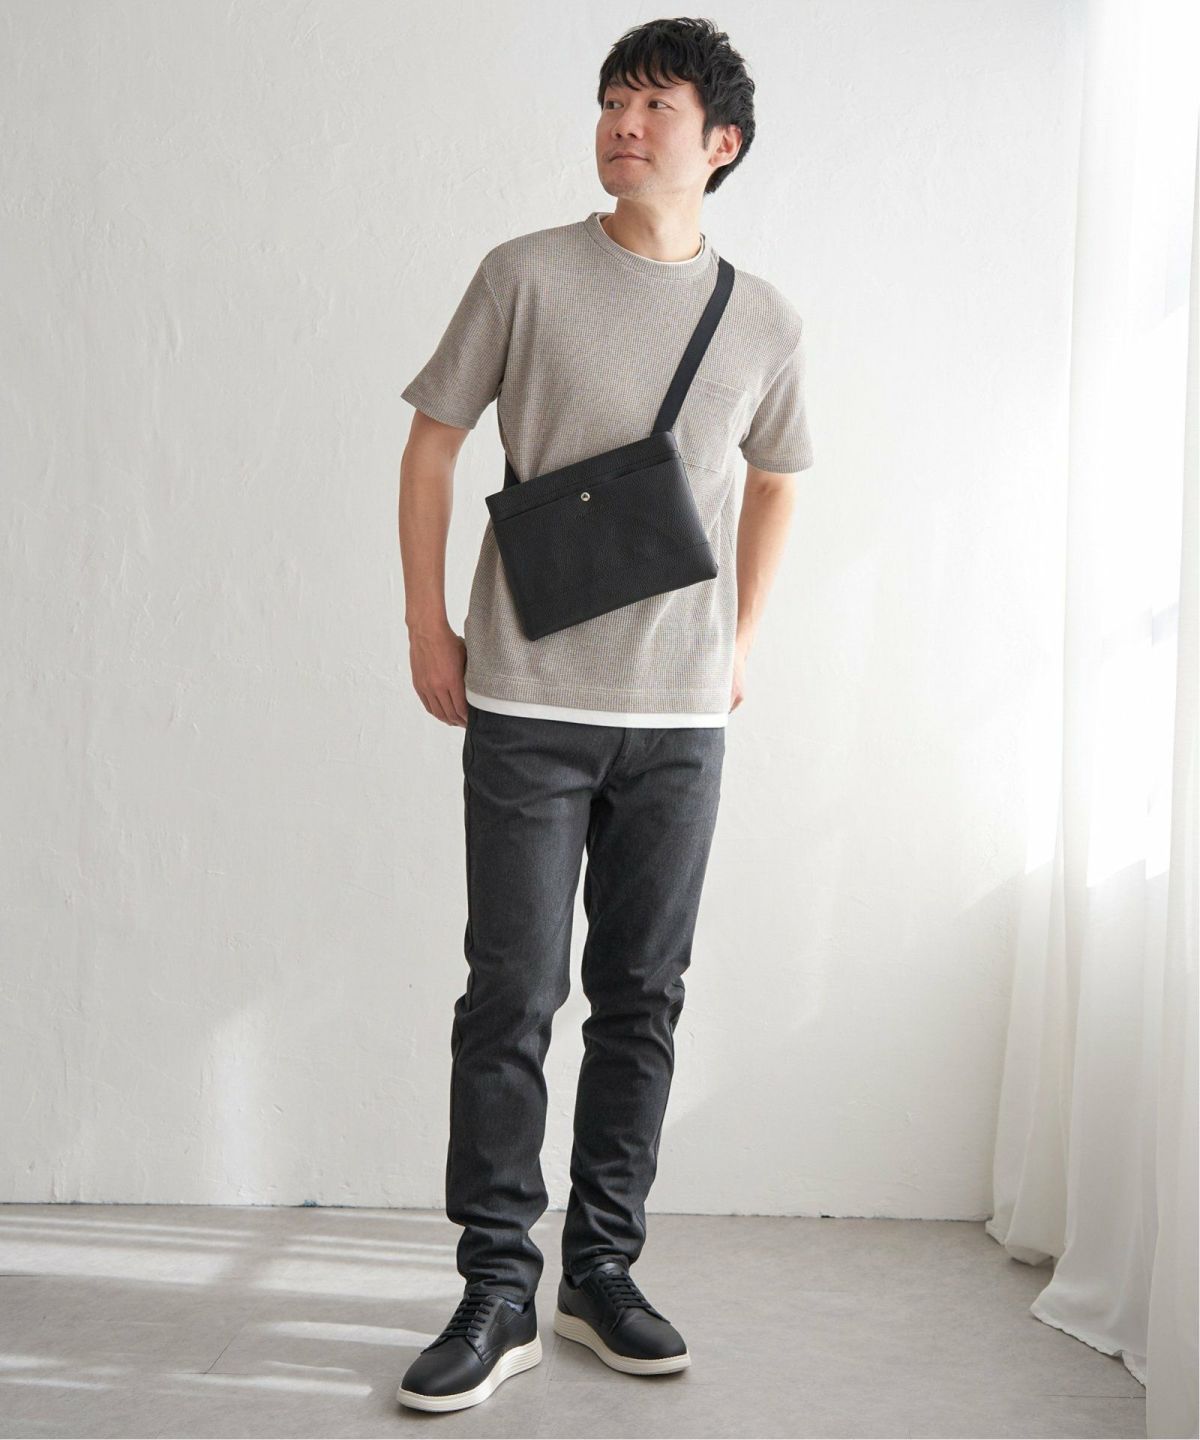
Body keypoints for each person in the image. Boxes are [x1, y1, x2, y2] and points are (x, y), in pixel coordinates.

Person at [394, 16, 814, 1414]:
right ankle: (494, 1285)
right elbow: (434, 443)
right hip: (525, 695)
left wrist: (740, 644)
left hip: (683, 717)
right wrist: (427, 626)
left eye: (655, 105)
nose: (624, 125)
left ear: (721, 142)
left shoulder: (765, 318)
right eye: (610, 102)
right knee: (511, 995)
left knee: (644, 996)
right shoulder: (523, 273)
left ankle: (602, 1273)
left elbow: (780, 477)